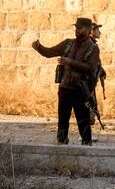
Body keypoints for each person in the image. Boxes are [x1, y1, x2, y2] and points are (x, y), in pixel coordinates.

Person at [31, 17, 100, 145]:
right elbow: (50, 52)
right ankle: (61, 144)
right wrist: (39, 47)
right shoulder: (68, 43)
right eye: (76, 28)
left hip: (80, 90)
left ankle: (86, 146)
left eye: (80, 28)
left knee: (83, 120)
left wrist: (70, 62)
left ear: (88, 30)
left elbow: (91, 68)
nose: (77, 30)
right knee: (62, 120)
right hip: (65, 88)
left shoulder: (93, 48)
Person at [88, 22, 107, 128]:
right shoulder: (90, 45)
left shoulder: (92, 44)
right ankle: (84, 134)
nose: (100, 32)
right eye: (97, 30)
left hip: (90, 82)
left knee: (91, 105)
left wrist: (101, 70)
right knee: (89, 106)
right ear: (92, 32)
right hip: (87, 82)